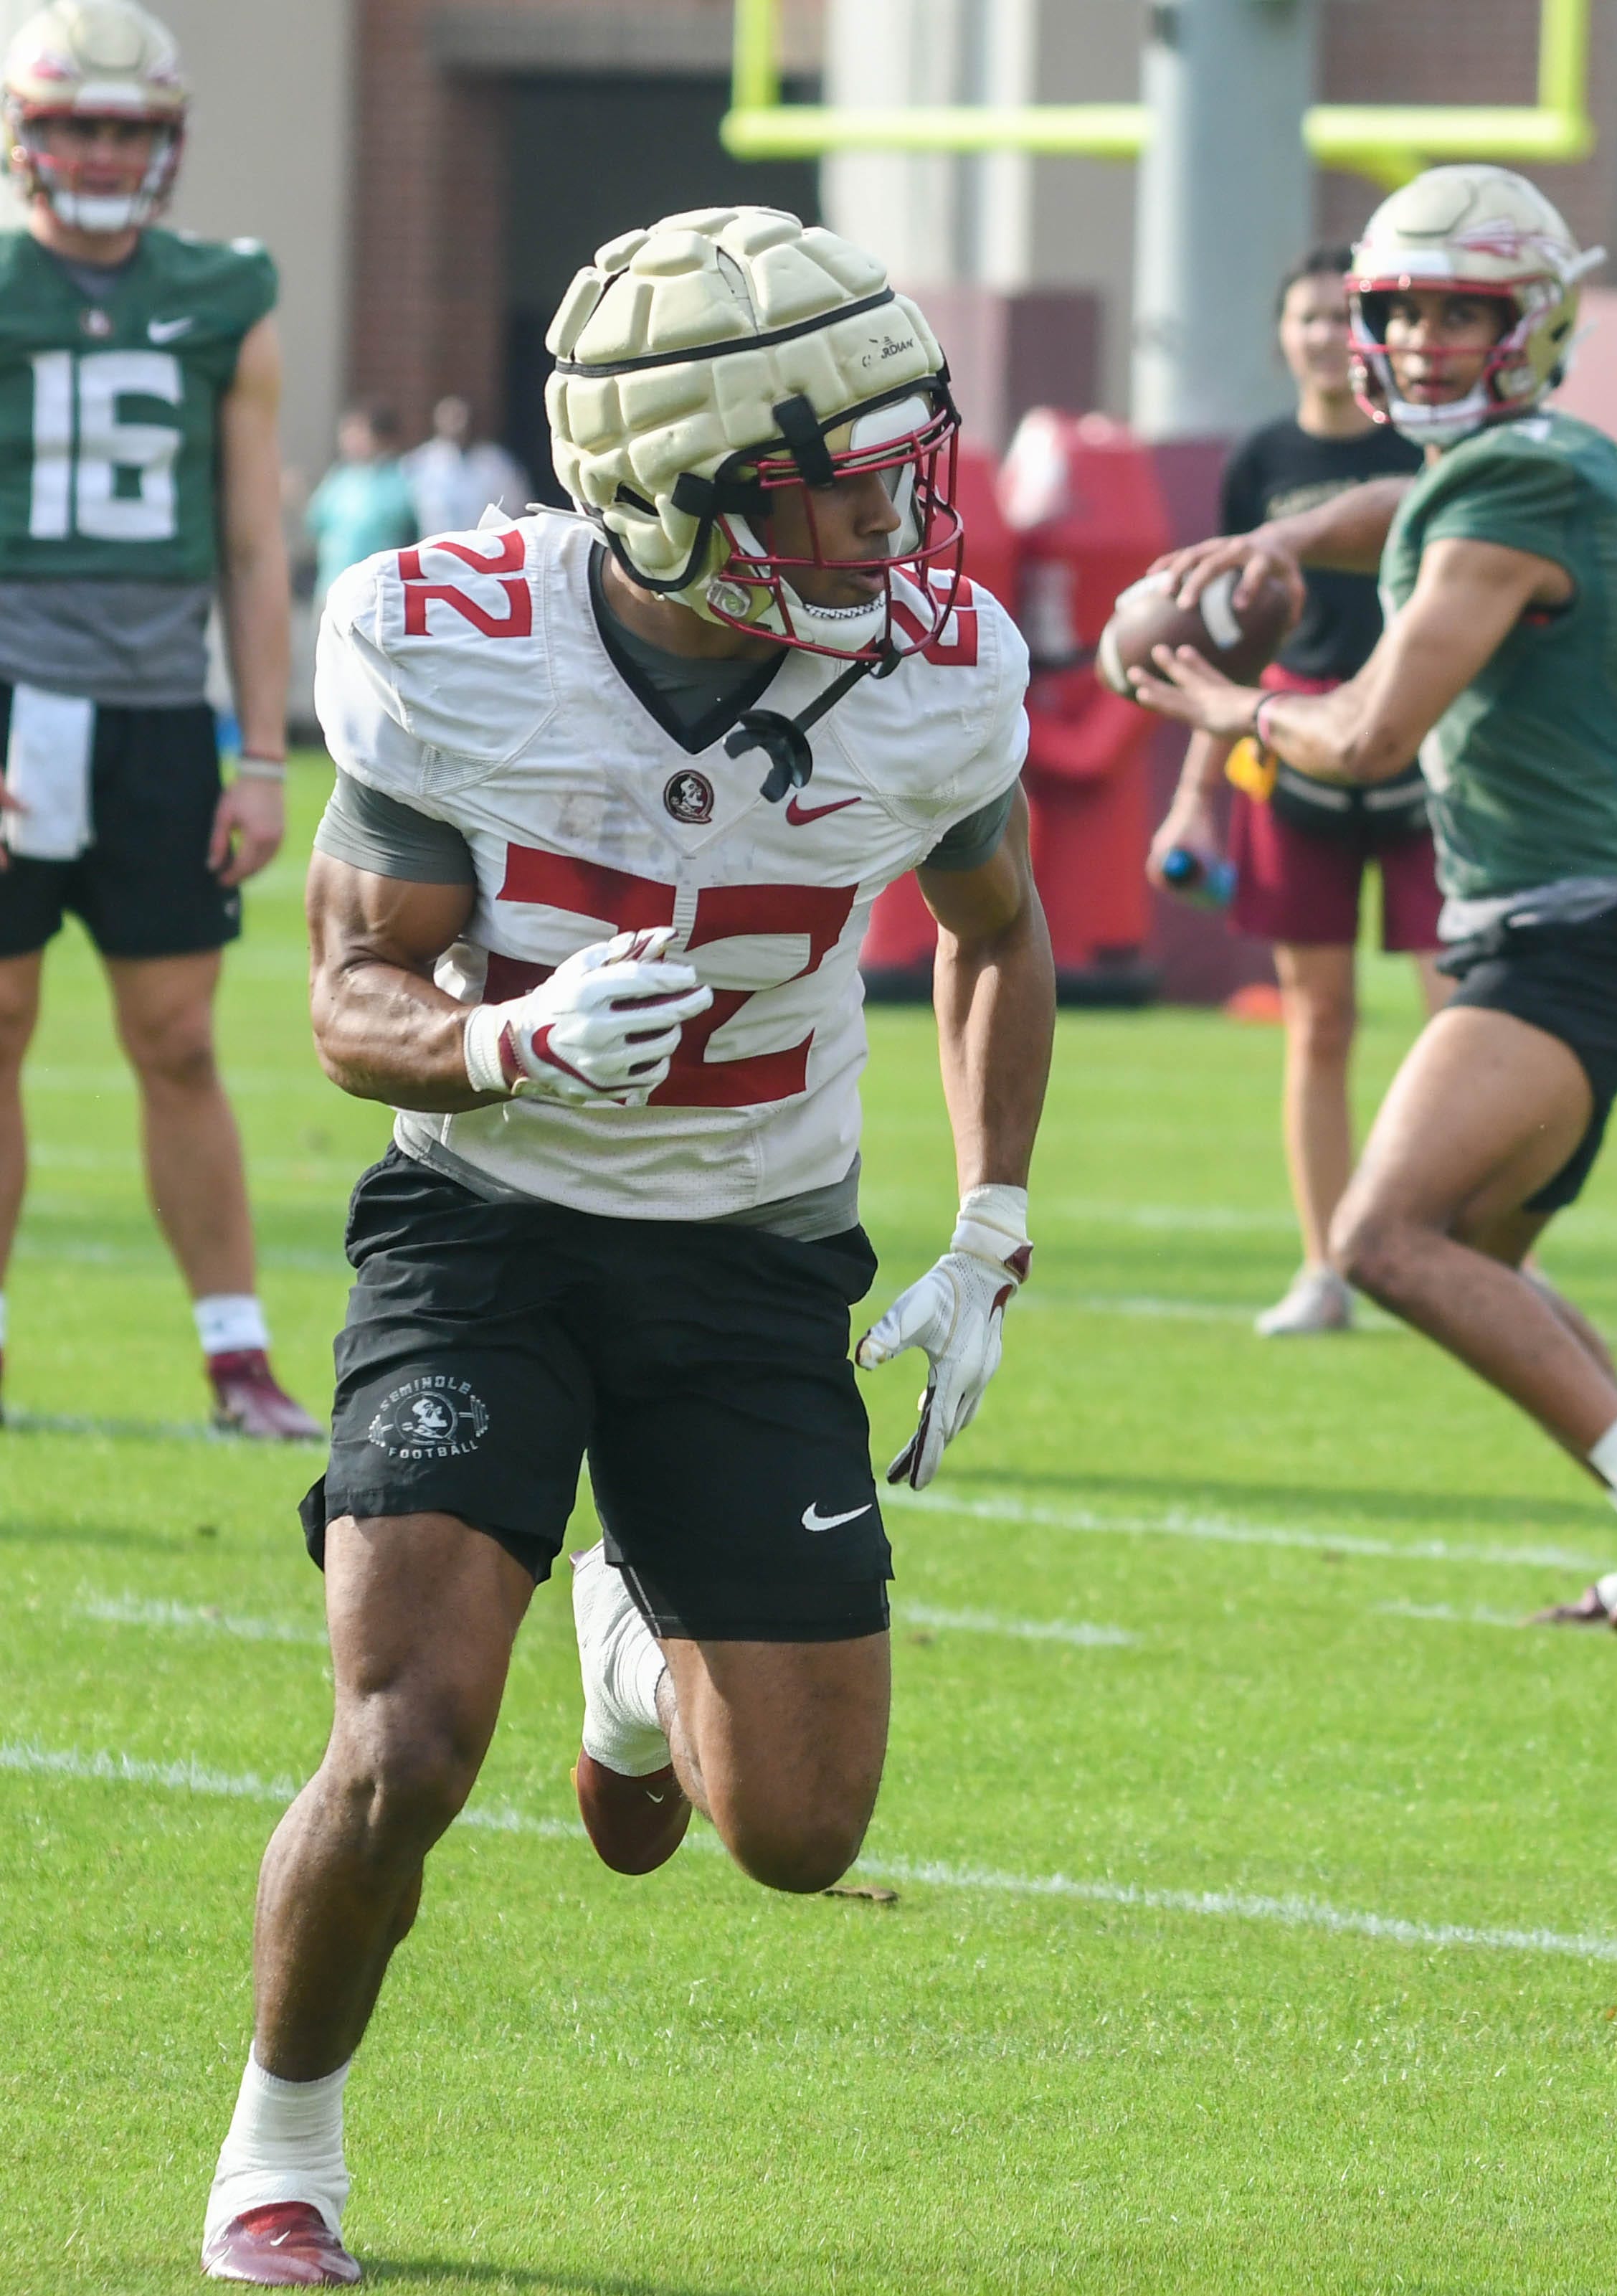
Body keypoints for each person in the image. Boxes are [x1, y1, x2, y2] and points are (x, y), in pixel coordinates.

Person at [197, 207, 1054, 2286]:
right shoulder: (444, 630)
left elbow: (995, 933)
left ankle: (632, 1661)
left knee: (798, 1837)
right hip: (483, 1227)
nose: (893, 515)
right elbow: (344, 1006)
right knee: (405, 1736)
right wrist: (500, 1035)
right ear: (680, 499)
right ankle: (279, 2149)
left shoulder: (941, 672)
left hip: (757, 1249)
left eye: (894, 458)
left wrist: (992, 1223)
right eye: (839, 478)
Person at [1134, 166, 1617, 1636]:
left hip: (1570, 932)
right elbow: (1396, 502)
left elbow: (1365, 738)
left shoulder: (1516, 481)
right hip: (1572, 918)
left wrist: (1223, 700)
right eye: (1401, 307)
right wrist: (1287, 541)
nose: (1424, 336)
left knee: (1380, 1239)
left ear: (1534, 319)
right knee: (1476, 1262)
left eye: (1462, 308)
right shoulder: (1523, 460)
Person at [0, 0, 316, 1438]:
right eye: (77, 121)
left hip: (152, 715)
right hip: (11, 698)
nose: (103, 149)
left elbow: (253, 546)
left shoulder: (223, 290)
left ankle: (238, 1358)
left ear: (170, 137)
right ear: (26, 131)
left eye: (127, 126)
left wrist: (260, 753)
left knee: (179, 1038)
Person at [1147, 247, 1436, 1336]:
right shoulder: (1258, 459)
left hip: (1414, 731)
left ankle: (1457, 1244)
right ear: (1281, 334)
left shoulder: (1423, 445)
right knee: (1318, 1020)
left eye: (1340, 317)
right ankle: (1325, 1265)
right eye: (1307, 316)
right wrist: (1193, 797)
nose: (1323, 335)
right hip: (1291, 740)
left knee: (1458, 1009)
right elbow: (1222, 646)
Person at [302, 402, 416, 606]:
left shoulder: (400, 481)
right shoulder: (339, 478)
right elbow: (315, 521)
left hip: (375, 595)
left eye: (358, 432)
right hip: (331, 588)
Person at [402, 392, 528, 540]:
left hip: (484, 551)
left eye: (460, 417)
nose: (457, 424)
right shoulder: (419, 462)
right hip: (433, 552)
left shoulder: (496, 463)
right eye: (450, 417)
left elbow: (518, 511)